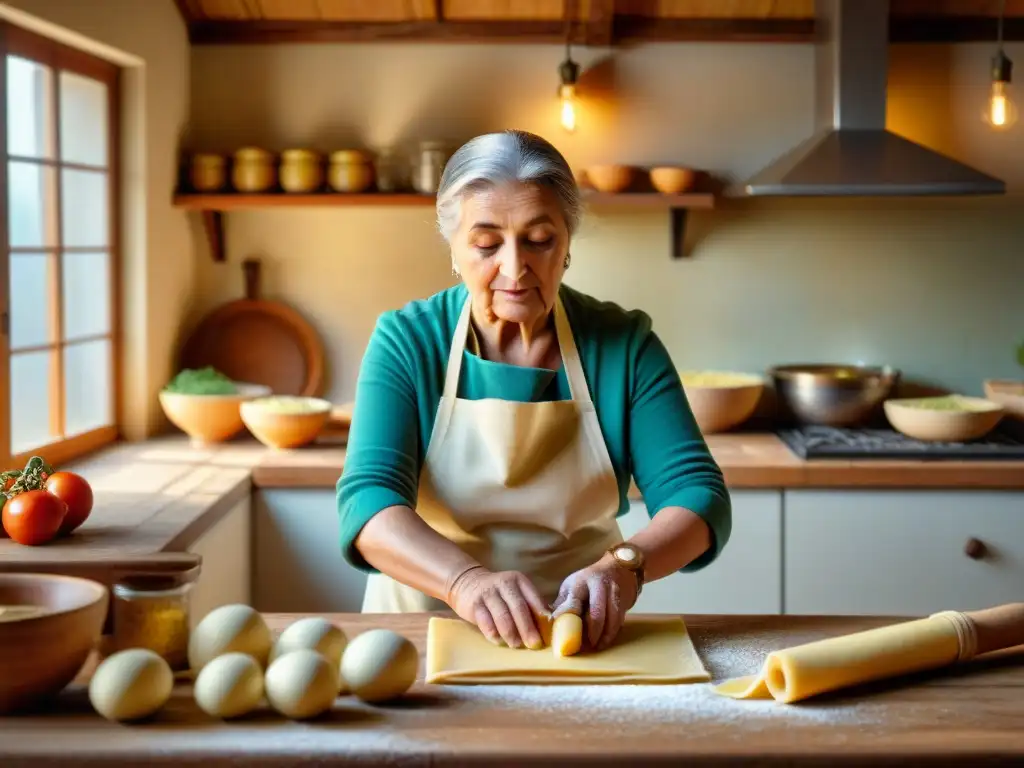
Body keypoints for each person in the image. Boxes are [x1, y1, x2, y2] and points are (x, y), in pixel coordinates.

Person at [337, 129, 731, 652]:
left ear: (567, 242)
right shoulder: (408, 341)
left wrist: (624, 567)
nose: (515, 267)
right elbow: (368, 502)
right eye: (486, 244)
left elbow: (697, 495)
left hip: (577, 633)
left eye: (539, 239)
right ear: (453, 246)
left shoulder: (622, 345)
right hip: (421, 631)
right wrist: (465, 582)